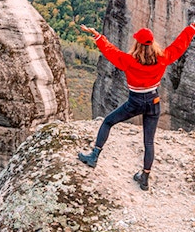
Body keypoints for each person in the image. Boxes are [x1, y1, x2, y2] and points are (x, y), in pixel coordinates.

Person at [78, 22, 195, 191]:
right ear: (152, 43)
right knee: (148, 141)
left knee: (108, 122)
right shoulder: (162, 58)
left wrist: (97, 36)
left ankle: (94, 156)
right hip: (153, 102)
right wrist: (191, 28)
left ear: (137, 44)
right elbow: (178, 45)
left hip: (135, 102)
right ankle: (144, 178)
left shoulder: (129, 61)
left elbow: (111, 52)